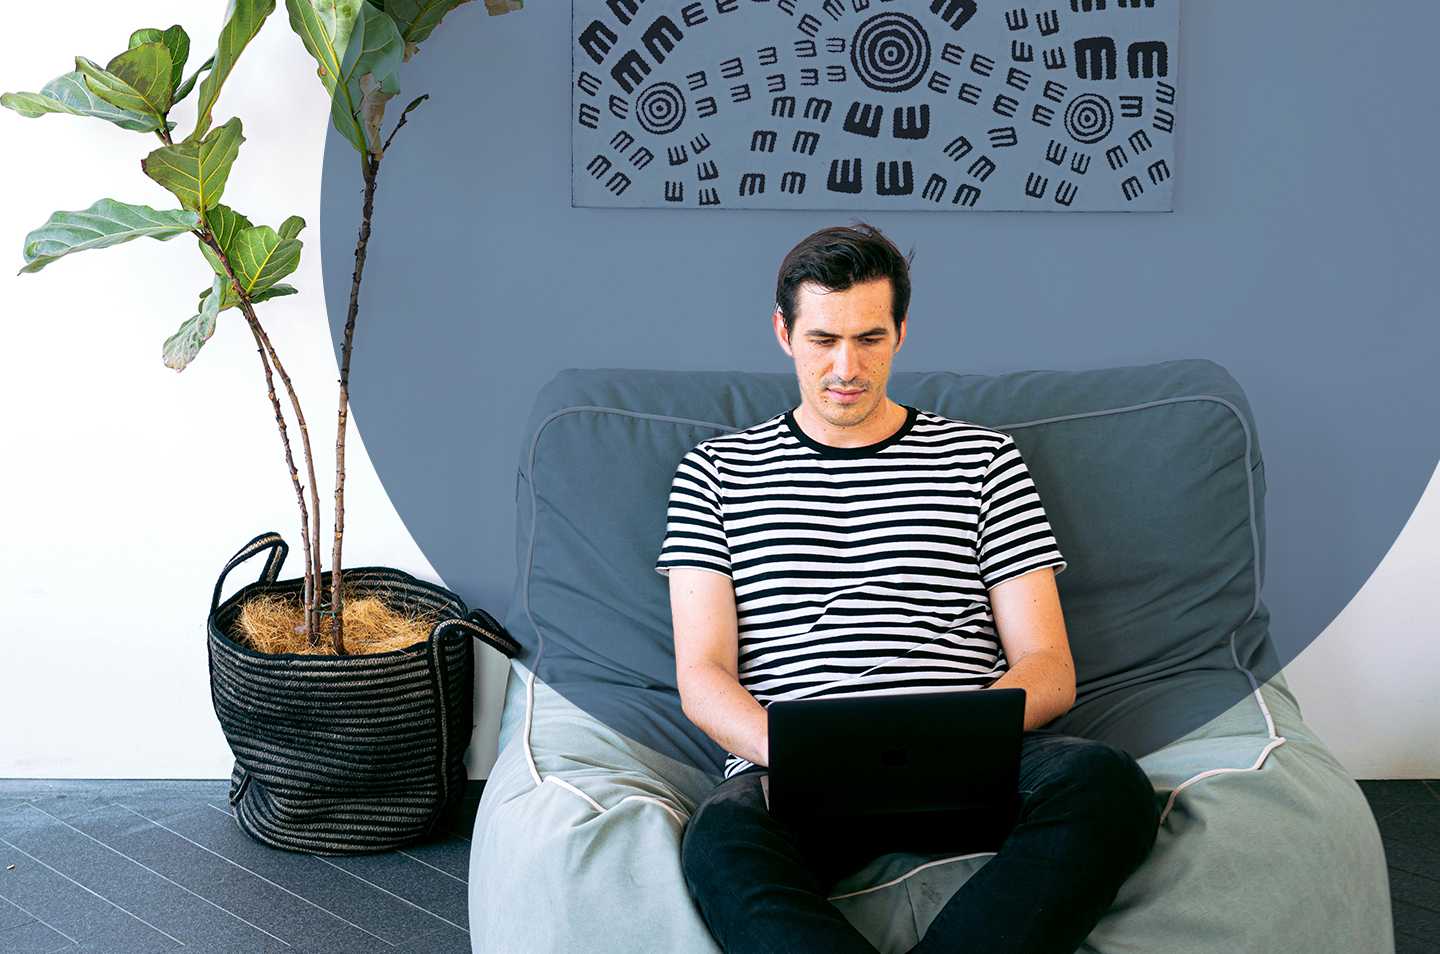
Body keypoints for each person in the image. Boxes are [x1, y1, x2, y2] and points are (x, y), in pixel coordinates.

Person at [652, 222, 1160, 954]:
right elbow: (702, 676)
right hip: (798, 771)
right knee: (719, 844)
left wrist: (959, 736)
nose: (846, 366)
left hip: (970, 756)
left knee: (1107, 783)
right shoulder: (714, 472)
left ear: (901, 332)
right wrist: (794, 751)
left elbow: (1049, 665)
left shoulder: (984, 458)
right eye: (823, 339)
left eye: (869, 338)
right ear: (783, 333)